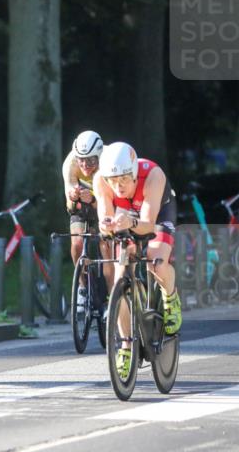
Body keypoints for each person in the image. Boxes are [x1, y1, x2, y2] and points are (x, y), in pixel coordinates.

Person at [95, 141, 181, 378]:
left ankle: (170, 296)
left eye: (123, 179)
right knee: (120, 274)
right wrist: (107, 224)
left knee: (156, 261)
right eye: (113, 180)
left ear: (133, 173)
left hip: (155, 214)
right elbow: (105, 212)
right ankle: (125, 345)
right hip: (126, 215)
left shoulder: (153, 175)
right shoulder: (100, 180)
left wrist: (130, 223)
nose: (118, 185)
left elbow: (146, 223)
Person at [61, 130, 114, 303]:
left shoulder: (109, 162)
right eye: (81, 159)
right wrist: (73, 197)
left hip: (106, 204)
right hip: (83, 207)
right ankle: (82, 288)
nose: (85, 165)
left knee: (106, 247)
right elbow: (70, 208)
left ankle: (113, 295)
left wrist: (92, 199)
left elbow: (113, 202)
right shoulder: (70, 164)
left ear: (100, 156)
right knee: (76, 244)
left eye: (91, 160)